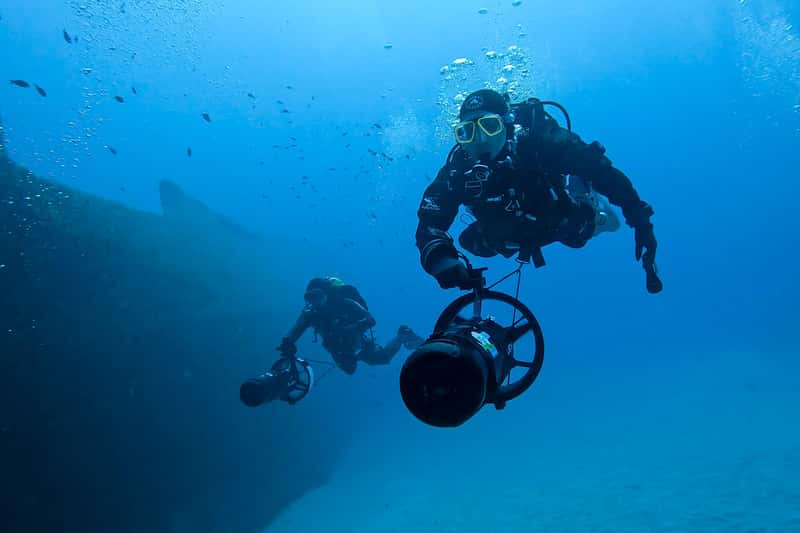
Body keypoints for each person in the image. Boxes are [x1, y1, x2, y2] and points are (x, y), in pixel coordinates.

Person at [415, 89, 663, 294]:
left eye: (489, 126)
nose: (479, 139)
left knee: (577, 234)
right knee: (471, 242)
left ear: (507, 125)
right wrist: (442, 261)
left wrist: (641, 223)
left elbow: (603, 173)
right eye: (467, 132)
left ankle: (589, 203)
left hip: (555, 214)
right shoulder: (457, 169)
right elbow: (430, 221)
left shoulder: (540, 143)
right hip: (511, 231)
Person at [277, 277, 424, 375]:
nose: (315, 301)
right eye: (309, 297)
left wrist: (348, 329)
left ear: (326, 294)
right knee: (349, 370)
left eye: (317, 295)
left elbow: (370, 320)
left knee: (381, 358)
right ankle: (356, 356)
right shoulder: (310, 313)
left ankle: (402, 334)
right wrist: (287, 342)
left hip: (355, 340)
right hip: (335, 345)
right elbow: (296, 328)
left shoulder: (345, 302)